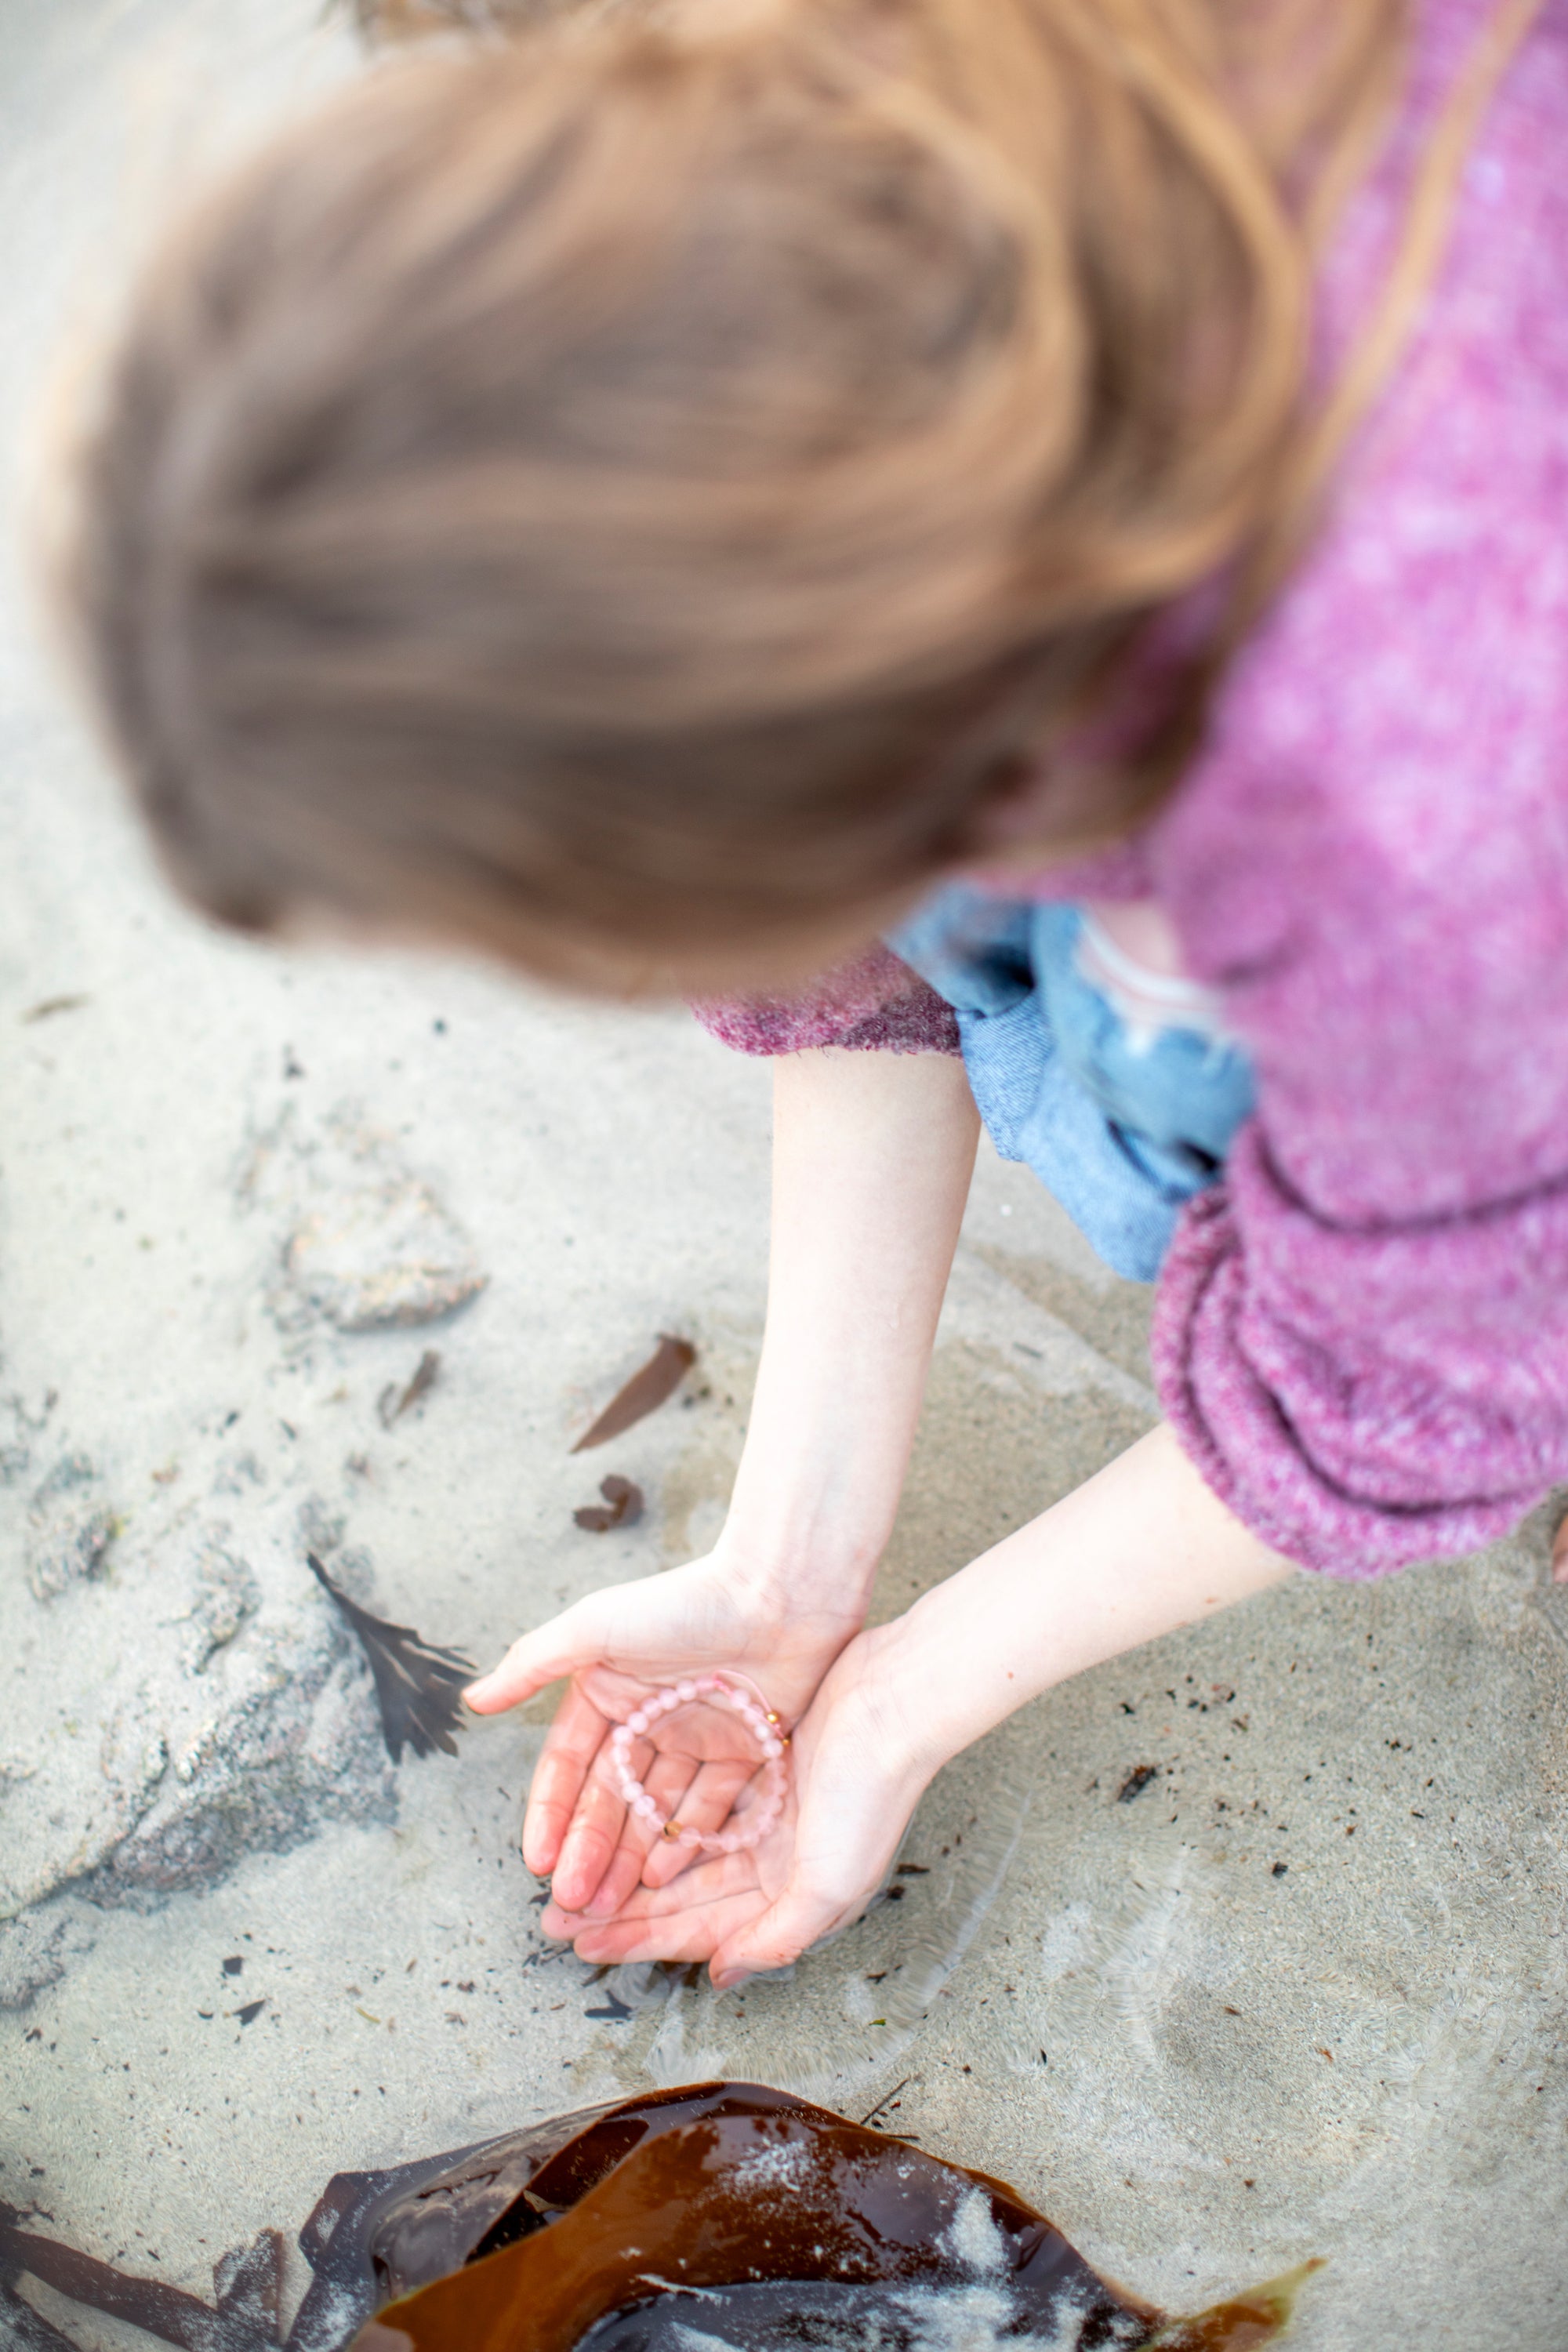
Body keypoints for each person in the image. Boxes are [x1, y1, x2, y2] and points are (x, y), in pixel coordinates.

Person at [67, 0, 1566, 1988]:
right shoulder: (804, 239)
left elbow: (1424, 1376)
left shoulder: (1414, 804)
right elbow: (858, 939)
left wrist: (907, 1704)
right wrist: (791, 1574)